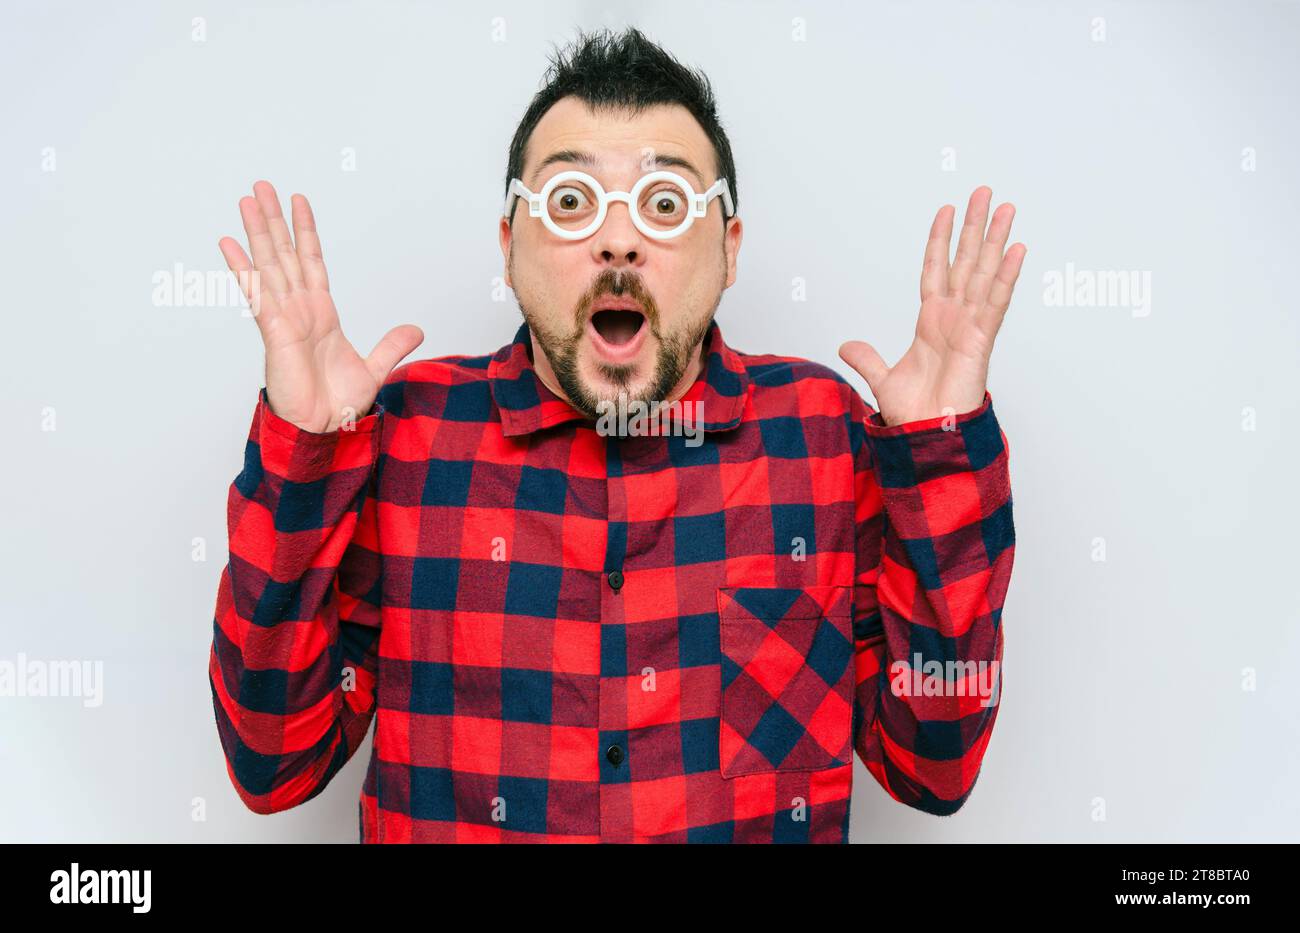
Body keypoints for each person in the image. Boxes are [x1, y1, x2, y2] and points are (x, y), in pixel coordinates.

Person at [209, 27, 1023, 843]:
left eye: (666, 204)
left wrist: (937, 455)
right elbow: (273, 761)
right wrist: (304, 456)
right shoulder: (407, 438)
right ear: (509, 245)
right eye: (570, 202)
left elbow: (935, 766)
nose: (619, 238)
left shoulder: (822, 437)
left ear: (728, 249)